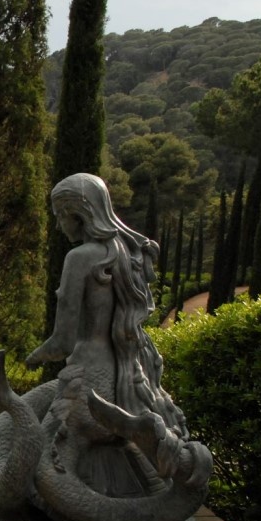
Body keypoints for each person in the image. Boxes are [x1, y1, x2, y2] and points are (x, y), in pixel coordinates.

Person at [25, 172, 185, 497]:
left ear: (78, 214)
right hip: (126, 384)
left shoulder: (79, 258)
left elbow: (63, 342)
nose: (59, 226)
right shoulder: (126, 255)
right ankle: (162, 516)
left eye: (60, 216)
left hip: (87, 385)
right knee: (126, 456)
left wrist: (34, 356)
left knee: (41, 459)